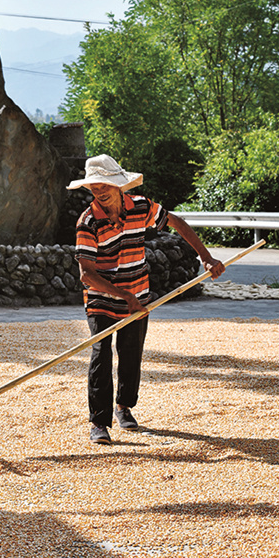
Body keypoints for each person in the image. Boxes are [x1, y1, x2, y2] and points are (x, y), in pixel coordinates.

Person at [68, 154, 225, 445]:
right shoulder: (88, 221)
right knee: (101, 353)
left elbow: (176, 221)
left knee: (131, 351)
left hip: (138, 292)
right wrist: (123, 296)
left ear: (118, 185)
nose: (99, 190)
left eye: (104, 184)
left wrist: (206, 257)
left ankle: (123, 407)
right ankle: (99, 423)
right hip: (102, 298)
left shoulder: (140, 206)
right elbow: (87, 275)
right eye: (94, 186)